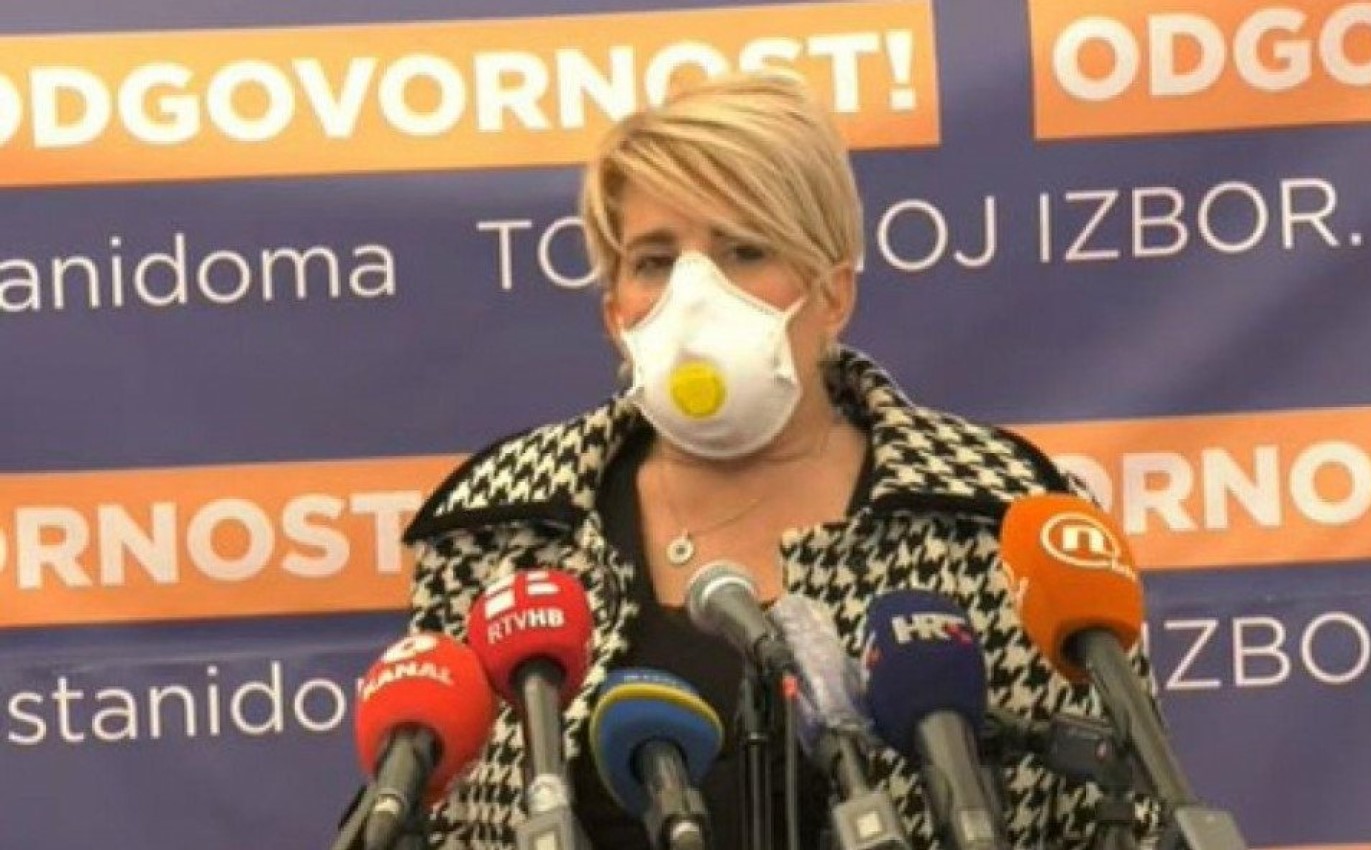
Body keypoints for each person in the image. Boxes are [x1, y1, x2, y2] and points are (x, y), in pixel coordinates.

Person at [398, 71, 1162, 849]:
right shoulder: (503, 529)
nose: (695, 295)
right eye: (654, 261)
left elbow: (1122, 819)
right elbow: (441, 820)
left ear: (832, 293)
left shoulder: (999, 514)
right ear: (614, 312)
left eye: (744, 250)